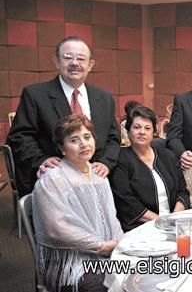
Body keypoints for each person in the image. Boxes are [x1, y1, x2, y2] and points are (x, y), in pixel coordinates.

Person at [6, 36, 120, 197]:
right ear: (57, 61)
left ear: (90, 65)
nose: (74, 63)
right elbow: (19, 136)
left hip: (98, 179)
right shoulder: (35, 95)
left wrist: (105, 163)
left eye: (81, 58)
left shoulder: (104, 98)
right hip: (55, 181)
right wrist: (40, 160)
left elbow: (113, 138)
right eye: (68, 57)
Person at [32, 115, 123, 292]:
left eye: (87, 137)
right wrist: (102, 247)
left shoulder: (98, 173)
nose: (83, 144)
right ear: (61, 148)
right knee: (106, 285)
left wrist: (119, 244)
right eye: (74, 140)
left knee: (142, 271)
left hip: (107, 250)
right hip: (68, 260)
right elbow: (57, 229)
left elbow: (111, 218)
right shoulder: (52, 178)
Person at [109, 106, 190, 231]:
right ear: (128, 130)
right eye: (137, 127)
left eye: (147, 128)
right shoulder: (121, 159)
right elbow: (126, 201)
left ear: (154, 132)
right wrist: (162, 221)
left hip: (174, 224)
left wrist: (173, 218)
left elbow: (183, 191)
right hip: (141, 228)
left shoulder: (168, 156)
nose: (142, 132)